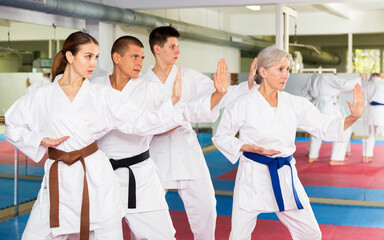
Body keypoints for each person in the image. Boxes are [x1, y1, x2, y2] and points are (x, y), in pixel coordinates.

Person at [5, 31, 183, 240]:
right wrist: (38, 140)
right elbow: (13, 123)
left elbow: (138, 121)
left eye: (96, 57)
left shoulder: (102, 95)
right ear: (70, 57)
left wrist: (172, 101)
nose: (93, 63)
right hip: (59, 176)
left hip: (95, 177)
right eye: (88, 56)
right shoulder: (43, 94)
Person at [212, 46, 364, 240]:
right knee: (239, 236)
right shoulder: (242, 104)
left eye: (288, 69)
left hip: (285, 175)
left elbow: (323, 126)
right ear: (263, 71)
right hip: (252, 176)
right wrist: (246, 147)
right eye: (280, 69)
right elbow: (221, 136)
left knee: (311, 234)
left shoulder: (294, 103)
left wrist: (353, 117)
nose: (286, 75)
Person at [140, 26, 255, 240]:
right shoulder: (142, 83)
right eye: (172, 46)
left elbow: (221, 94)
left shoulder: (189, 77)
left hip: (187, 151)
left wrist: (247, 86)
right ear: (157, 49)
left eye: (178, 46)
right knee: (147, 213)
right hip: (155, 153)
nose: (178, 51)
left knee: (207, 206)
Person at [91, 36, 181, 239]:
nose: (140, 62)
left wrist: (151, 124)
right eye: (134, 57)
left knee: (163, 234)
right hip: (102, 175)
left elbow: (171, 119)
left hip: (140, 177)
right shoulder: (95, 87)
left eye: (142, 57)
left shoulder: (150, 89)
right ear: (116, 57)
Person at [302, 73, 361, 165]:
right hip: (328, 105)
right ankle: (336, 158)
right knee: (341, 129)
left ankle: (312, 155)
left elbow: (305, 91)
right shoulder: (328, 76)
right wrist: (360, 79)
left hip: (316, 104)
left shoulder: (314, 76)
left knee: (316, 129)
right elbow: (345, 85)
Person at [362, 73, 384, 162]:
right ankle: (366, 156)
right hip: (381, 110)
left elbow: (365, 98)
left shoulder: (368, 83)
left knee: (371, 134)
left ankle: (366, 156)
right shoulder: (382, 83)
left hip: (371, 110)